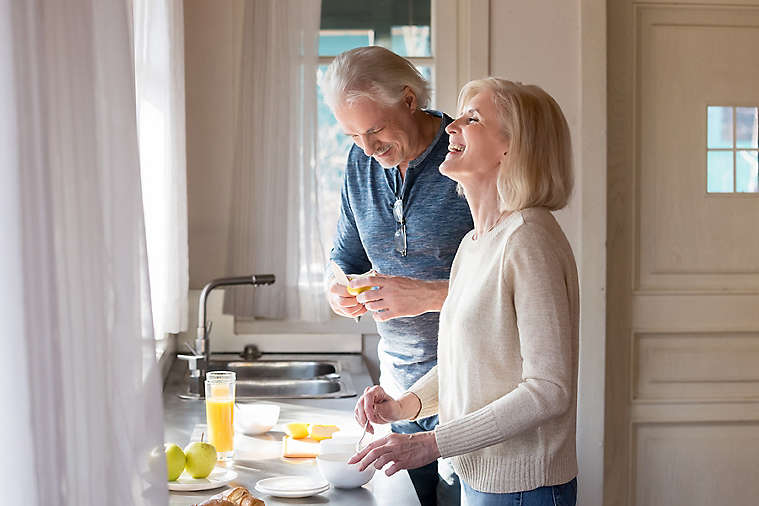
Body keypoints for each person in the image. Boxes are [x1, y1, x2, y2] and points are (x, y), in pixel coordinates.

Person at [349, 78, 580, 506]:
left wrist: (434, 443)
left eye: (472, 118)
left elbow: (550, 389)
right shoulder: (474, 244)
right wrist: (404, 406)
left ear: (513, 146)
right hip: (479, 480)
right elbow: (465, 363)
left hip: (524, 488)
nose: (451, 126)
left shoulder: (529, 239)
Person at [319, 46, 473, 505]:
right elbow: (344, 257)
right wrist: (337, 290)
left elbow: (505, 283)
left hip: (467, 391)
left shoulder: (466, 155)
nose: (367, 148)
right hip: (398, 392)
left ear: (408, 99)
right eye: (351, 135)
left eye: (375, 129)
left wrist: (430, 294)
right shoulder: (360, 164)